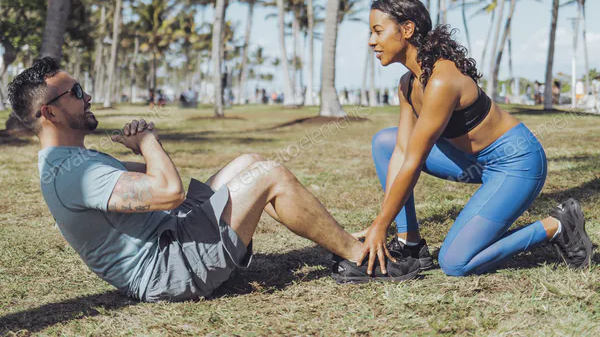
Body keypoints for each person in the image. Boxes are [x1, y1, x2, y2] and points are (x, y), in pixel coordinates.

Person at [7, 58, 420, 302]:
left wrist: (143, 151)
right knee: (268, 175)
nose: (88, 96)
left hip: (170, 237)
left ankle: (346, 244)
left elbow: (165, 184)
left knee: (250, 161)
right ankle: (358, 257)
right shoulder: (73, 172)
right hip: (169, 270)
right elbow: (168, 191)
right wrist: (148, 140)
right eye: (76, 91)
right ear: (50, 113)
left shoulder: (74, 159)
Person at [355, 0, 593, 276]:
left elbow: (413, 162)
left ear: (407, 29)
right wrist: (381, 223)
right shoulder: (407, 83)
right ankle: (410, 244)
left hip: (516, 164)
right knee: (385, 142)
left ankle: (557, 225)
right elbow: (402, 152)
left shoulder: (442, 80)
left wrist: (381, 225)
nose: (372, 41)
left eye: (378, 31)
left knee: (455, 262)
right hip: (475, 162)